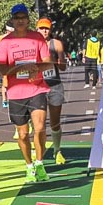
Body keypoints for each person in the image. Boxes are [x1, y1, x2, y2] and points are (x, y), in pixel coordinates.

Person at [0, 4, 53, 183]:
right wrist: (17, 68)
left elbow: (48, 62)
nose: (20, 20)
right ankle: (29, 166)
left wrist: (37, 68)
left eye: (23, 17)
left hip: (37, 89)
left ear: (28, 20)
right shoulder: (6, 42)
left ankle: (40, 163)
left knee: (40, 127)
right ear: (12, 20)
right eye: (16, 17)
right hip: (16, 93)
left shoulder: (37, 38)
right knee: (22, 134)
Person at [36, 18, 68, 165]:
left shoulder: (56, 44)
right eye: (41, 28)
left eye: (46, 28)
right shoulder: (31, 43)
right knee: (39, 123)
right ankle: (39, 152)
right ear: (37, 29)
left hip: (54, 85)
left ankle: (57, 150)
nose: (44, 31)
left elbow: (63, 67)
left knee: (55, 121)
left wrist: (56, 59)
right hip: (37, 87)